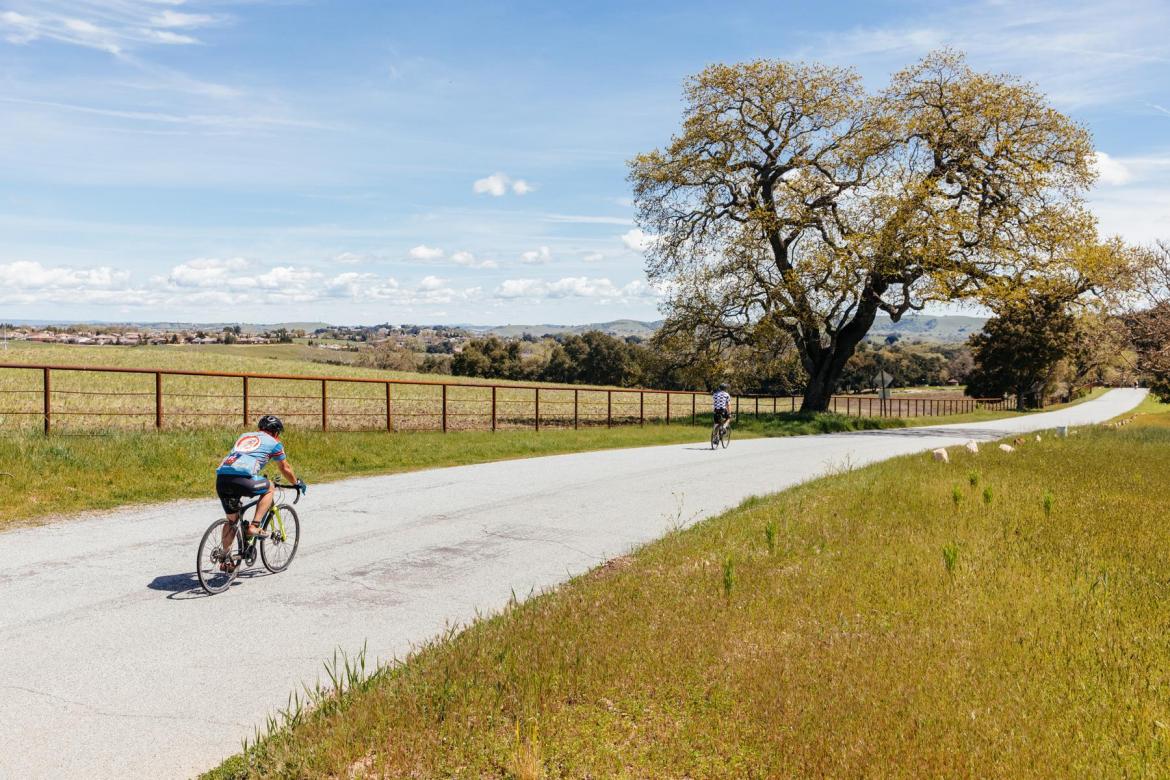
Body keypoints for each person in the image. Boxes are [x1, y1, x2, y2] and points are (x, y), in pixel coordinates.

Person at [215, 415, 303, 570]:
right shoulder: (275, 443)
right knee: (269, 487)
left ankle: (225, 559)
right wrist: (296, 483)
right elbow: (285, 467)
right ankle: (254, 526)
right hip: (243, 479)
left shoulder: (245, 436)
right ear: (276, 432)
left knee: (232, 521)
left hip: (222, 478)